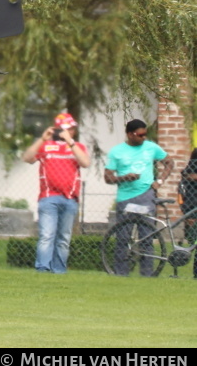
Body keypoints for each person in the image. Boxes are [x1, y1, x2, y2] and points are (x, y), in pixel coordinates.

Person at [19, 111, 90, 274]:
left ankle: (59, 270)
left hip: (70, 199)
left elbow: (85, 162)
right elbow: (27, 157)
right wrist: (42, 139)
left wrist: (70, 142)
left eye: (71, 129)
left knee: (64, 238)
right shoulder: (45, 146)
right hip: (48, 198)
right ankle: (42, 269)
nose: (70, 131)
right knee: (47, 235)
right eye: (66, 129)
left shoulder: (77, 147)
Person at [105, 118, 172, 277]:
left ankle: (146, 274)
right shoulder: (117, 151)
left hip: (146, 197)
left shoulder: (151, 148)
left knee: (146, 237)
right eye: (140, 135)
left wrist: (160, 181)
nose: (144, 138)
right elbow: (107, 177)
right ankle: (121, 274)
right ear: (130, 134)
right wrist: (124, 178)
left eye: (145, 135)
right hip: (125, 199)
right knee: (123, 237)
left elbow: (169, 162)